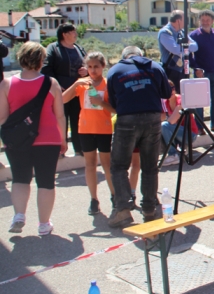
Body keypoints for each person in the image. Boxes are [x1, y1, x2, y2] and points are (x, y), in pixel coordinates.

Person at [1, 42, 66, 235]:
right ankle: (44, 224)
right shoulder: (51, 83)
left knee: (20, 179)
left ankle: (19, 215)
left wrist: (6, 139)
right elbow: (60, 115)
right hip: (48, 138)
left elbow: (3, 117)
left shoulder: (6, 84)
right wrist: (62, 139)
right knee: (45, 182)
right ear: (40, 61)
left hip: (17, 140)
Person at [107, 46, 171, 227]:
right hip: (152, 118)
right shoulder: (155, 67)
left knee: (119, 166)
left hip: (126, 119)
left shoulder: (115, 70)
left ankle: (123, 210)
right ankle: (150, 209)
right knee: (150, 167)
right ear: (141, 55)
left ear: (124, 56)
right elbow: (166, 93)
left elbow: (113, 101)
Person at [62, 52, 115, 215]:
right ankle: (94, 199)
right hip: (85, 129)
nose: (93, 70)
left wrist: (101, 103)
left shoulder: (108, 84)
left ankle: (114, 196)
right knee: (90, 164)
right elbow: (63, 99)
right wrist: (76, 85)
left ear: (103, 67)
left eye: (96, 67)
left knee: (107, 165)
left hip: (104, 128)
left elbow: (115, 109)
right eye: (90, 67)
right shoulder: (82, 84)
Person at [41, 23, 87, 156]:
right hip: (60, 92)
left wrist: (86, 71)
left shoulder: (79, 48)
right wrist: (56, 84)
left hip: (78, 91)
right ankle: (60, 149)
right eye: (73, 32)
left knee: (77, 119)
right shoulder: (53, 48)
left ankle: (80, 148)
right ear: (65, 34)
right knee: (60, 119)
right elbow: (46, 68)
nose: (76, 34)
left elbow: (87, 63)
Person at [189, 10, 214, 132]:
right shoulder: (193, 36)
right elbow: (188, 56)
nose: (205, 22)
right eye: (203, 20)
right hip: (201, 74)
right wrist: (196, 68)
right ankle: (199, 127)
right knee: (200, 101)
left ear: (212, 21)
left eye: (208, 20)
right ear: (199, 20)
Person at [157, 10, 199, 93]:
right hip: (170, 70)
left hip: (182, 70)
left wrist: (184, 47)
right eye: (185, 20)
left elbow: (195, 46)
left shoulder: (182, 32)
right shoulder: (165, 32)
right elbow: (175, 50)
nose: (186, 22)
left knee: (184, 96)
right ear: (178, 21)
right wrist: (186, 47)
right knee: (172, 96)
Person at [160, 80, 199, 167]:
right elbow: (160, 118)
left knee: (164, 126)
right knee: (159, 128)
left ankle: (173, 155)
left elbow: (171, 121)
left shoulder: (181, 100)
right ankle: (176, 150)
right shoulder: (165, 103)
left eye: (172, 88)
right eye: (167, 89)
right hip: (179, 132)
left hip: (190, 134)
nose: (170, 91)